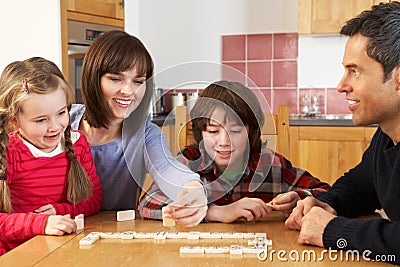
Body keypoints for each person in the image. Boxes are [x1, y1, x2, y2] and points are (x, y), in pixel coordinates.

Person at [285, 2, 400, 264]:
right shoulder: (385, 137)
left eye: (355, 71)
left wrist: (331, 231)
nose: (341, 86)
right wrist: (326, 203)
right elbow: (359, 186)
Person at [139, 80, 330, 223]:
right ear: (201, 132)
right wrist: (215, 212)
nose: (224, 142)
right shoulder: (189, 161)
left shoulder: (270, 164)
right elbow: (148, 205)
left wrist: (299, 198)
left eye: (236, 131)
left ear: (250, 131)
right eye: (213, 131)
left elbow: (328, 193)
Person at [70, 30, 207, 227]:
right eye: (116, 79)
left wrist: (193, 188)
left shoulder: (146, 135)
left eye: (138, 81)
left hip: (114, 237)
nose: (128, 91)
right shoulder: (63, 121)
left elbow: (167, 167)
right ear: (94, 78)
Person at [0, 57, 102, 255]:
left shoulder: (78, 143)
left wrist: (60, 210)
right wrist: (39, 223)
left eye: (61, 113)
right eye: (41, 120)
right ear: (15, 120)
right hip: (18, 256)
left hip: (64, 252)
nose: (55, 127)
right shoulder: (8, 152)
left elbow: (95, 199)